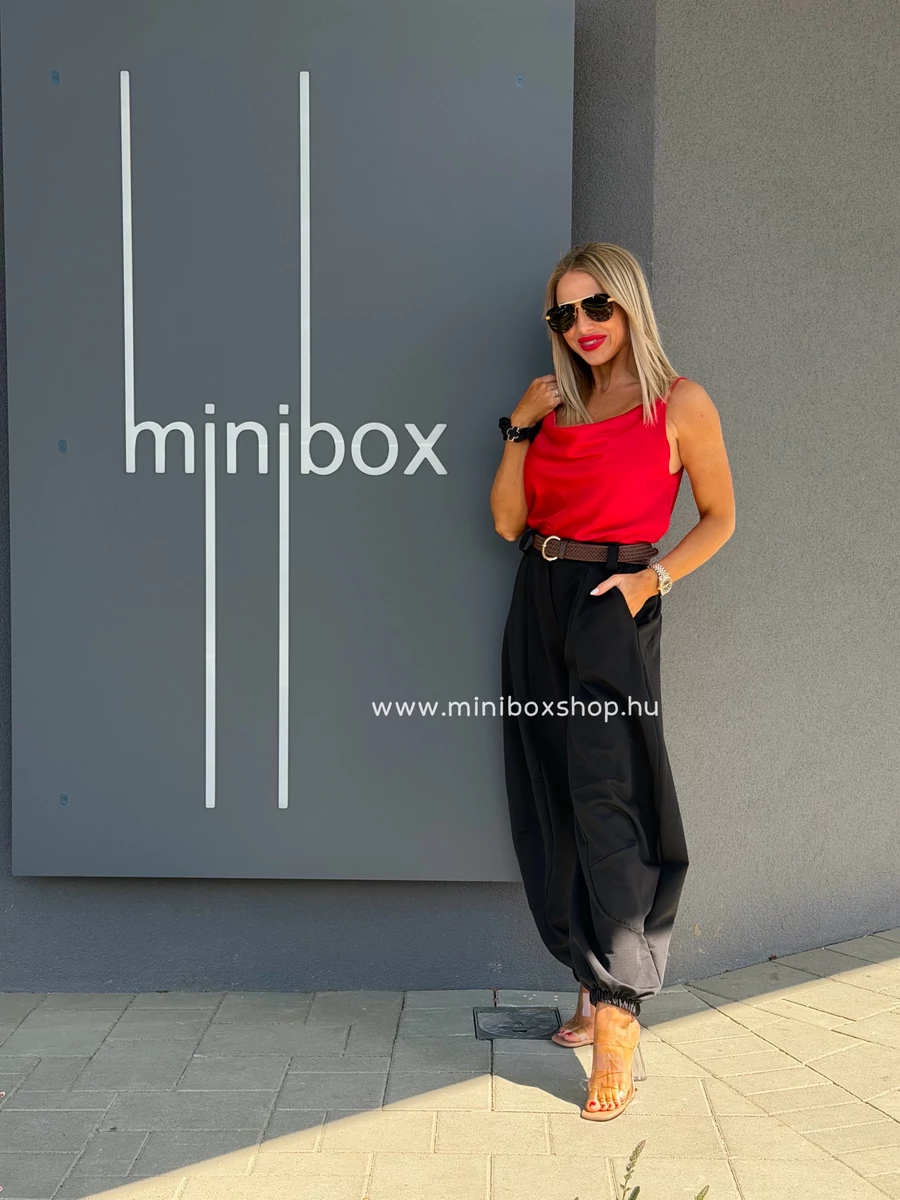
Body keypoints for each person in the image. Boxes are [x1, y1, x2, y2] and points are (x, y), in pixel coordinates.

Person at [489, 242, 735, 1121]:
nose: (582, 326)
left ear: (630, 304)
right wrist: (520, 426)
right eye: (565, 314)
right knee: (550, 791)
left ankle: (621, 1012)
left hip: (612, 601)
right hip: (539, 596)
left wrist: (649, 581)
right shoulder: (554, 406)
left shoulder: (680, 403)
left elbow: (719, 517)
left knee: (611, 798)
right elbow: (507, 521)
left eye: (598, 306)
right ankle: (588, 984)